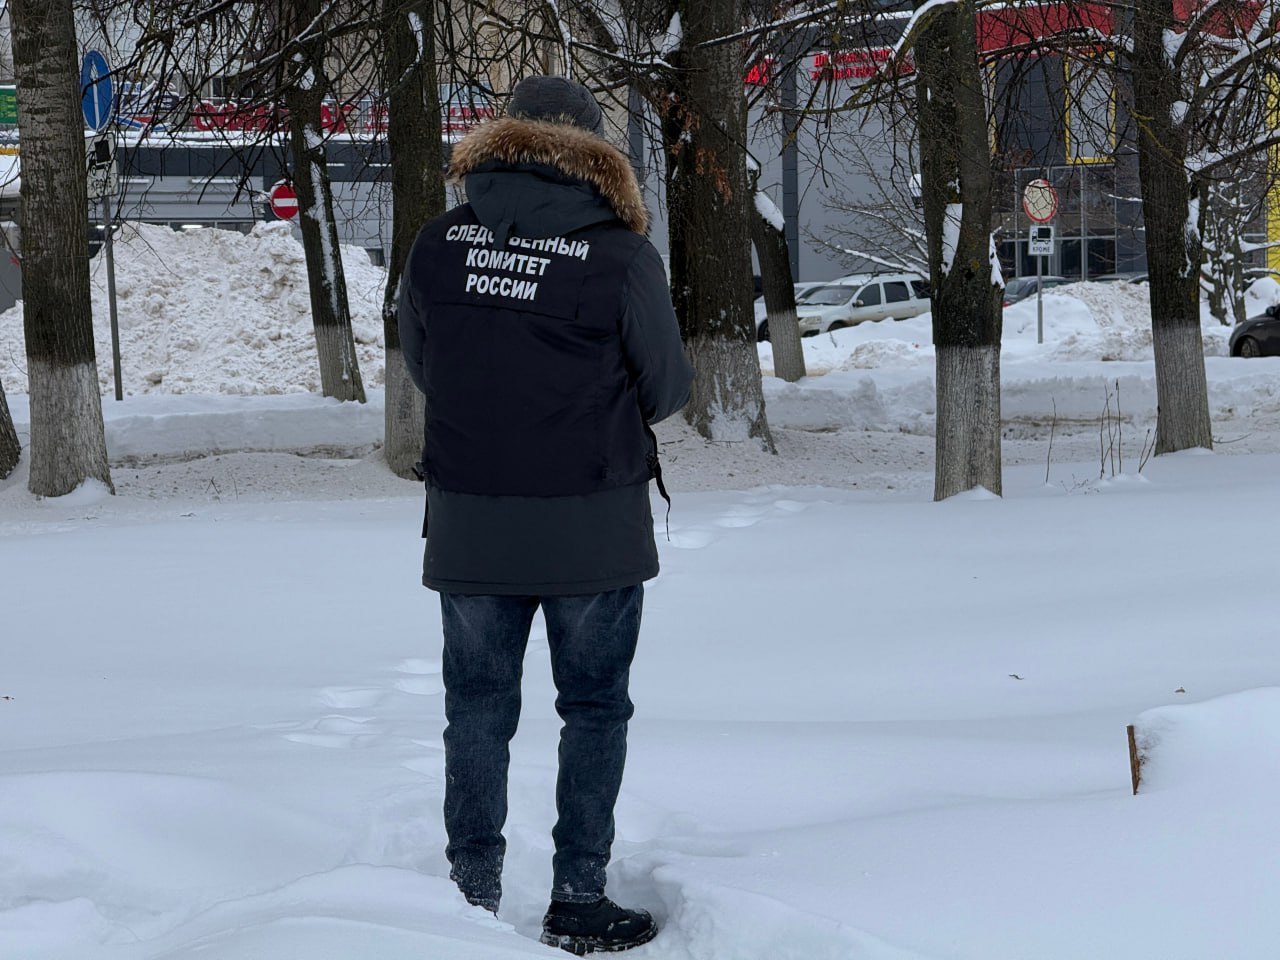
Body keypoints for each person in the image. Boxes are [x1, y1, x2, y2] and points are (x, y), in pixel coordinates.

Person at [397, 75, 693, 954]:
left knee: (477, 708)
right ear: (594, 155)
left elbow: (423, 364)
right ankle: (578, 898)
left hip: (470, 519)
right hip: (591, 526)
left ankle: (469, 903)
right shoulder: (623, 257)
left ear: (500, 141)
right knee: (595, 707)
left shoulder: (439, 245)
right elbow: (668, 389)